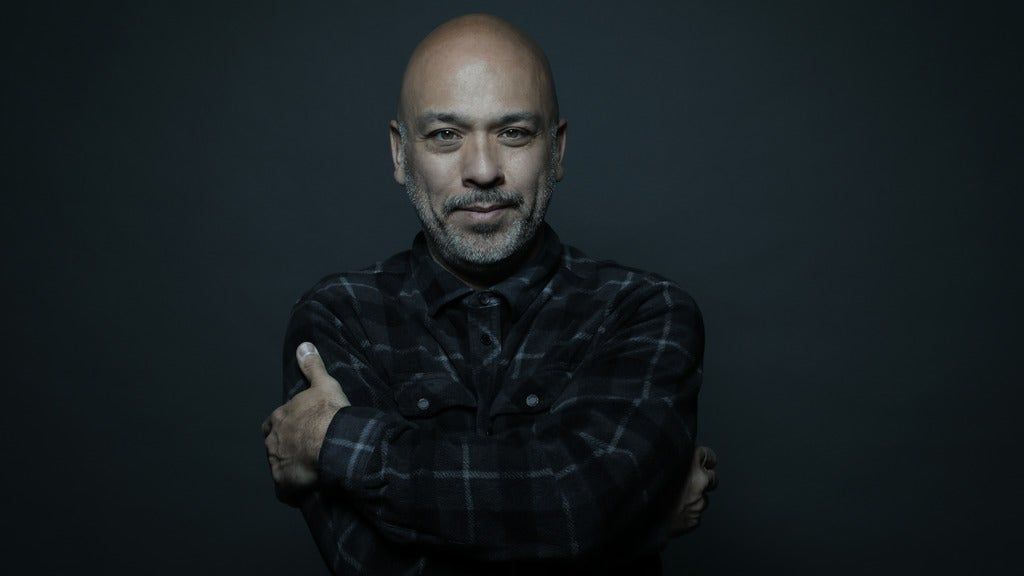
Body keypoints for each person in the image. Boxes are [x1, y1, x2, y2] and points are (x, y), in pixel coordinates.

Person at [261, 13, 718, 575]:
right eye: (445, 135)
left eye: (514, 133)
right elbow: (380, 568)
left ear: (557, 150)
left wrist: (335, 440)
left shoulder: (645, 312)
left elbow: (578, 499)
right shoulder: (339, 318)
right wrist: (637, 525)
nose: (482, 170)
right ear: (400, 154)